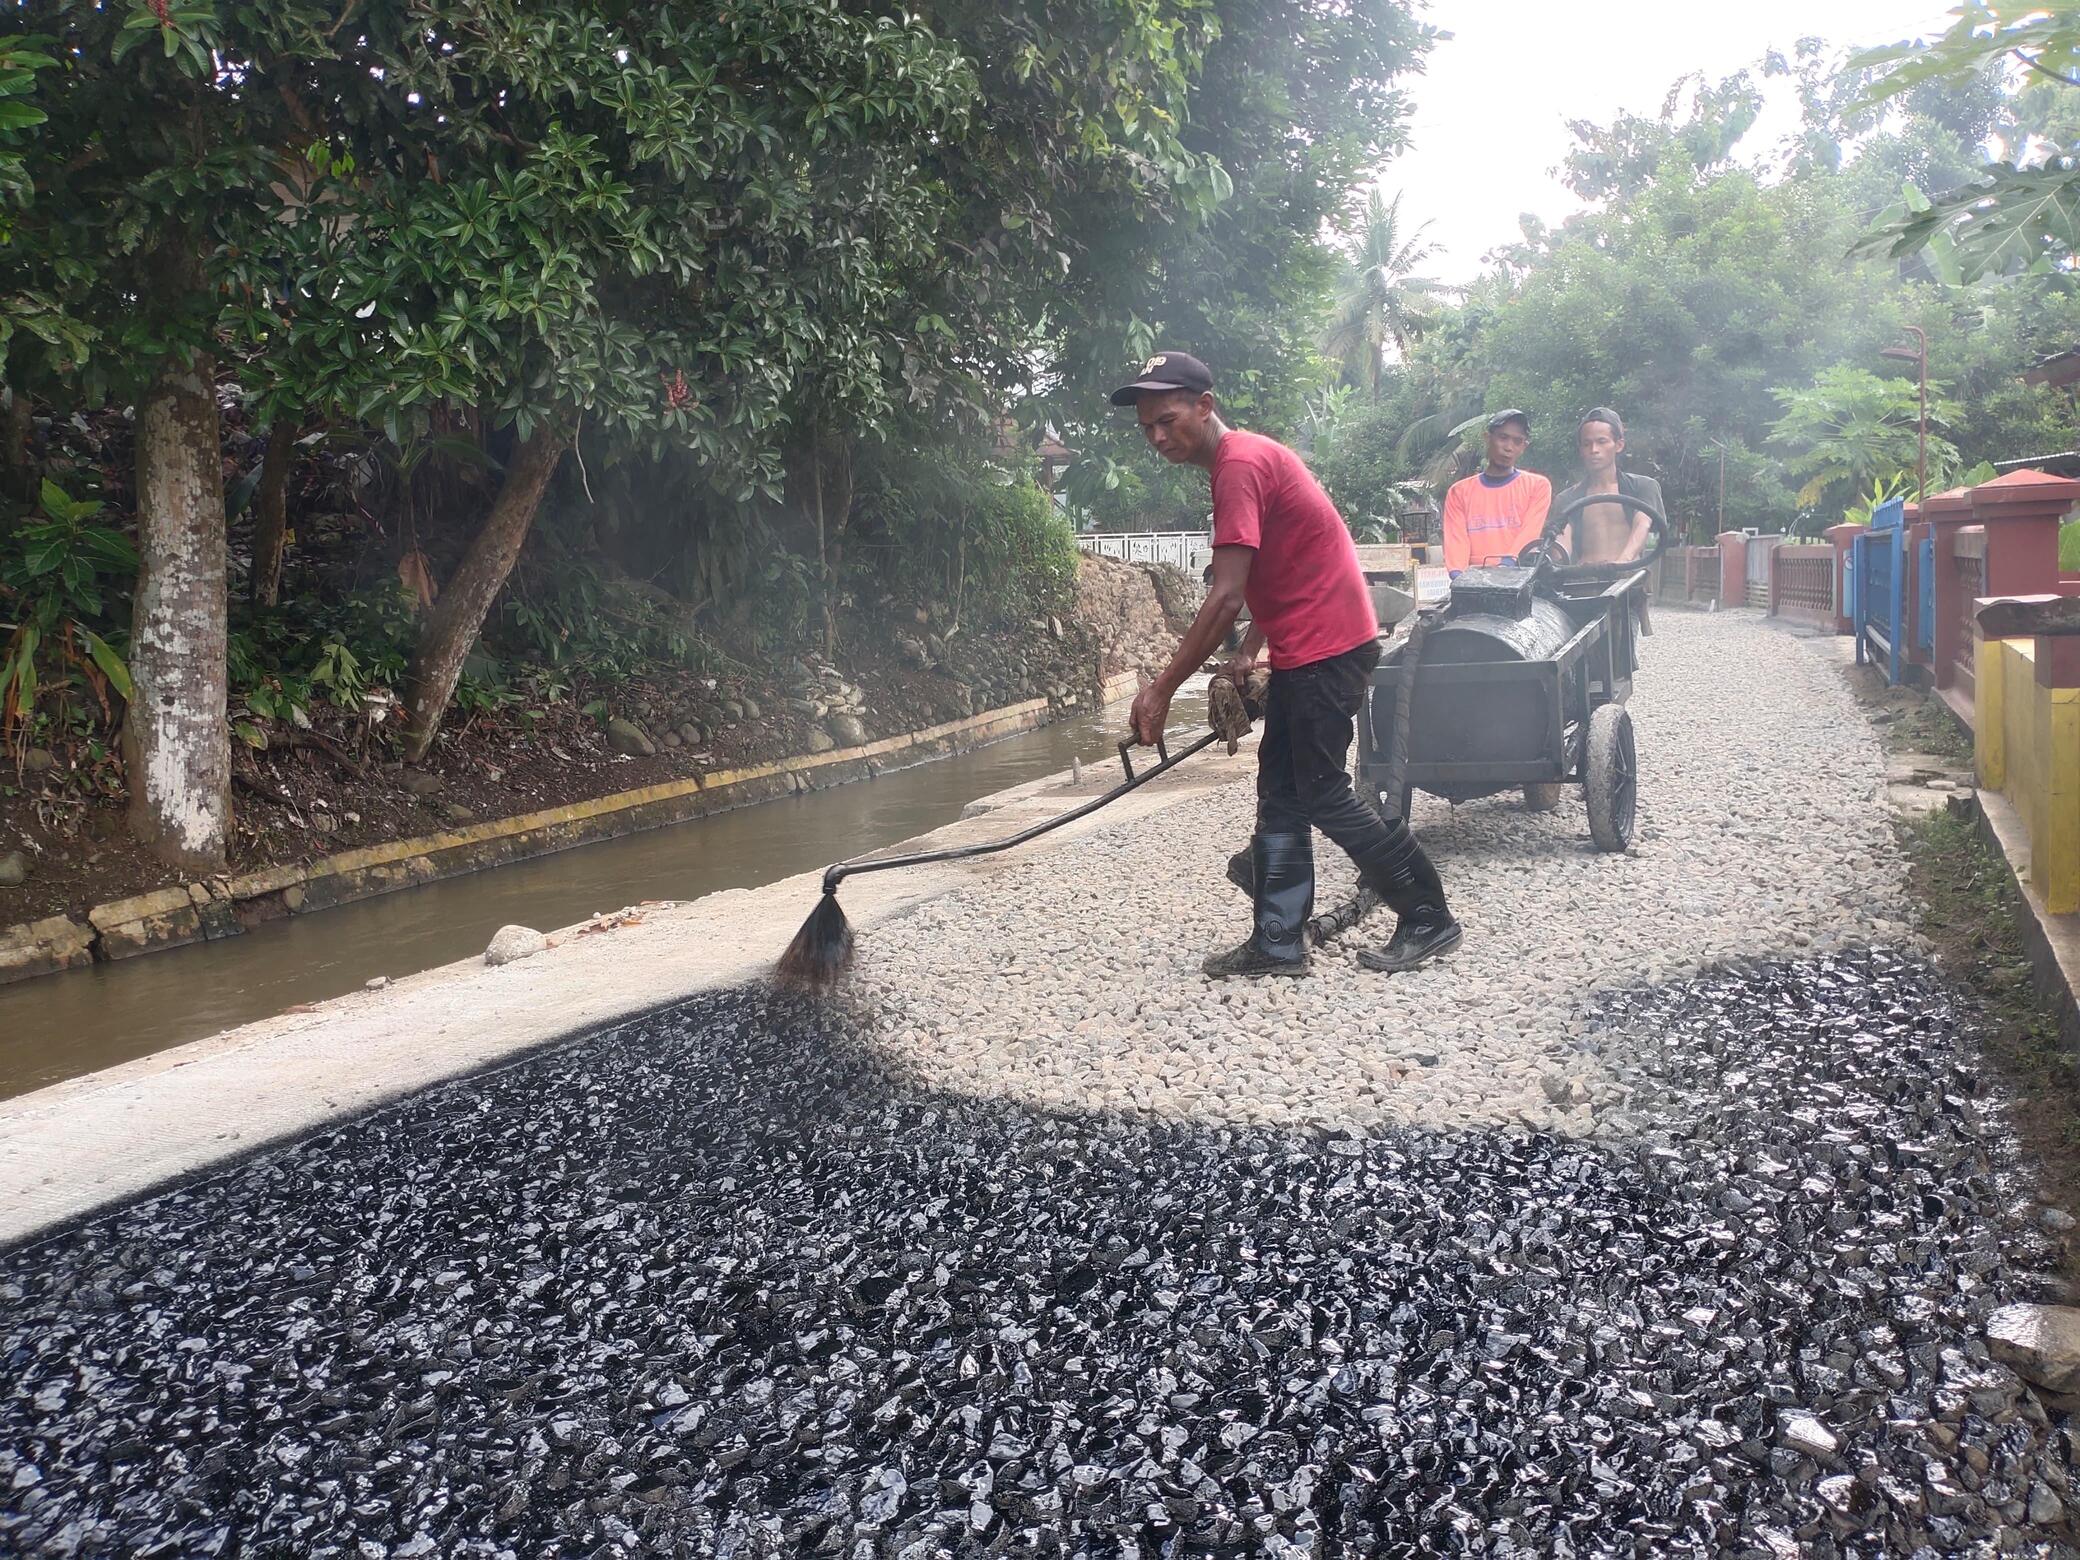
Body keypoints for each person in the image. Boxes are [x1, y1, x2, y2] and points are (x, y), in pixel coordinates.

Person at [1112, 350, 1460, 979]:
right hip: (1316, 641)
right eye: (1147, 428)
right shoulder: (1242, 460)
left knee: (1322, 791)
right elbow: (1278, 563)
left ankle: (1428, 916)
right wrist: (1249, 650)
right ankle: (1277, 942)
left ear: (1204, 407)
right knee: (1279, 791)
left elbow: (1223, 594)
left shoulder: (1238, 465)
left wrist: (1162, 689)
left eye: (1167, 420)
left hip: (1328, 646)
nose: (1157, 437)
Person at [1439, 410, 1550, 577]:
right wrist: (1459, 579)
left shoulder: (1538, 486)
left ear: (1523, 447)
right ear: (1487, 438)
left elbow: (1529, 532)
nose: (1508, 447)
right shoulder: (1459, 492)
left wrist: (1506, 567)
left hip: (1518, 579)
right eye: (1503, 438)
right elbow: (1456, 540)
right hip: (1472, 581)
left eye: (1517, 441)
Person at [1551, 407, 1664, 565]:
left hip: (1628, 582)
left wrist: (1622, 562)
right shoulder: (1567, 498)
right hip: (1582, 583)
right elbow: (1561, 544)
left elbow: (1642, 524)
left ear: (1619, 445)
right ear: (1581, 450)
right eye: (1586, 444)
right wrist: (1560, 565)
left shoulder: (1643, 487)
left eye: (1601, 441)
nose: (1594, 450)